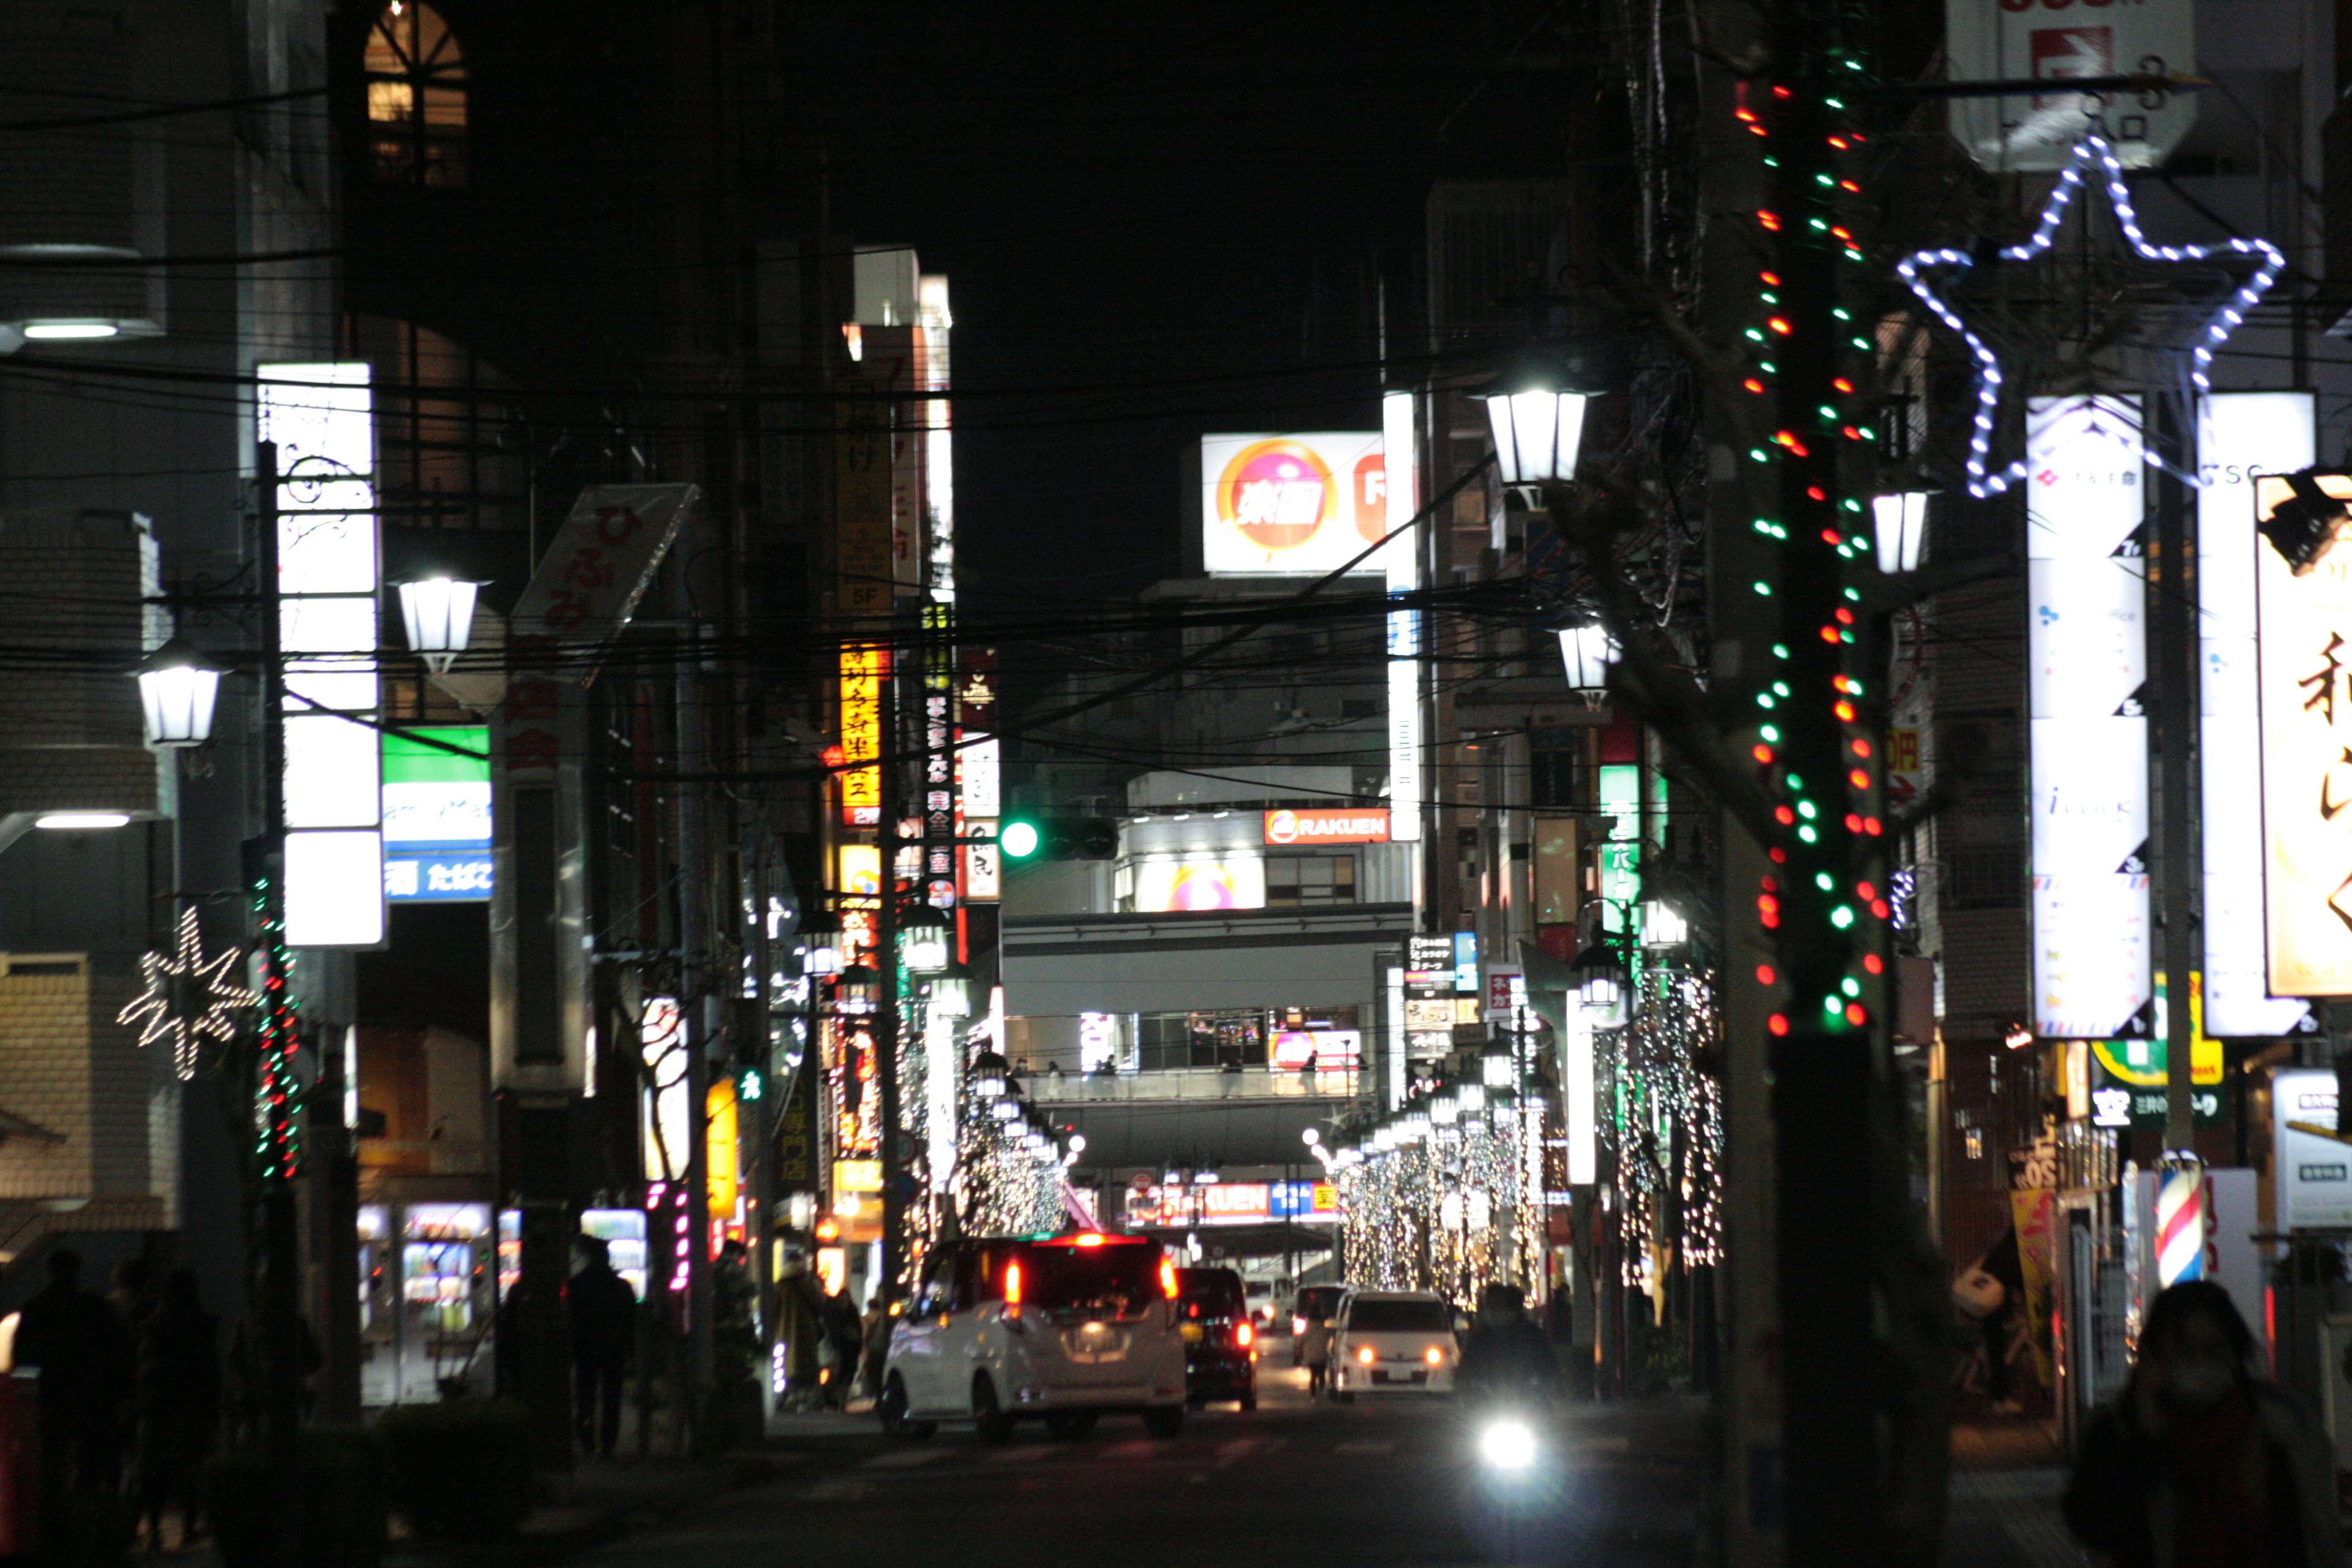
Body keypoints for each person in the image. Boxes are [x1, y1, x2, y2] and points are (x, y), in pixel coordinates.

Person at [2065, 1280, 2344, 1568]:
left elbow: (2317, 1531)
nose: (2200, 1364)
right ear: (2157, 1356)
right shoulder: (2121, 1430)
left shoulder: (2279, 1426)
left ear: (2234, 1353)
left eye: (2213, 1352)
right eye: (2186, 1352)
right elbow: (2090, 1526)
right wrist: (2143, 1438)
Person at [15, 1249, 134, 1529]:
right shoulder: (95, 1309)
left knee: (51, 1466)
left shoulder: (35, 1309)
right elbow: (119, 1353)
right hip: (92, 1401)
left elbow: (22, 1358)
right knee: (92, 1467)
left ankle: (53, 1523)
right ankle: (84, 1520)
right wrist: (120, 1394)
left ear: (50, 1271)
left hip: (51, 1402)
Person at [134, 1269, 219, 1551]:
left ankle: (154, 1530)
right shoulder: (203, 1326)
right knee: (189, 1472)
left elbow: (143, 1366)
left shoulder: (154, 1326)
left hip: (156, 1405)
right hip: (191, 1406)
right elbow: (210, 1372)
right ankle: (188, 1529)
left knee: (152, 1471)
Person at [568, 1236, 638, 1457]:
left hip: (586, 1349)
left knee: (586, 1396)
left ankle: (587, 1437)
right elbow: (631, 1321)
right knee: (612, 1397)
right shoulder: (621, 1287)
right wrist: (631, 1350)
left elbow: (571, 1320)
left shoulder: (577, 1285)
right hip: (614, 1349)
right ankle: (608, 1442)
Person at [1455, 1283, 1564, 1406]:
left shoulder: (1532, 1336)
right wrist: (1465, 1387)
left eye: (1498, 1307)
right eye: (1489, 1307)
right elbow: (1467, 1368)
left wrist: (1547, 1386)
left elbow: (1549, 1366)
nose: (1492, 1313)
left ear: (1512, 1310)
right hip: (1488, 1406)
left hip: (1525, 1405)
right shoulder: (1480, 1339)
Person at [819, 1284, 862, 1409]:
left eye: (846, 1298)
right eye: (842, 1298)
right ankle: (835, 1401)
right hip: (839, 1349)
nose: (844, 1300)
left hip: (848, 1350)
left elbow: (857, 1332)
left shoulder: (851, 1311)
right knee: (837, 1375)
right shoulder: (835, 1311)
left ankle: (839, 1402)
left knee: (846, 1375)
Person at [1299, 1307, 1332, 1398]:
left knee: (1313, 1375)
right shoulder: (1324, 1328)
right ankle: (1322, 1390)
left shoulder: (1307, 1328)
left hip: (1311, 1355)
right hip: (1322, 1354)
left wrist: (1300, 1350)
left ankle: (1313, 1394)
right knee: (1322, 1373)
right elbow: (1329, 1339)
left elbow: (1301, 1340)